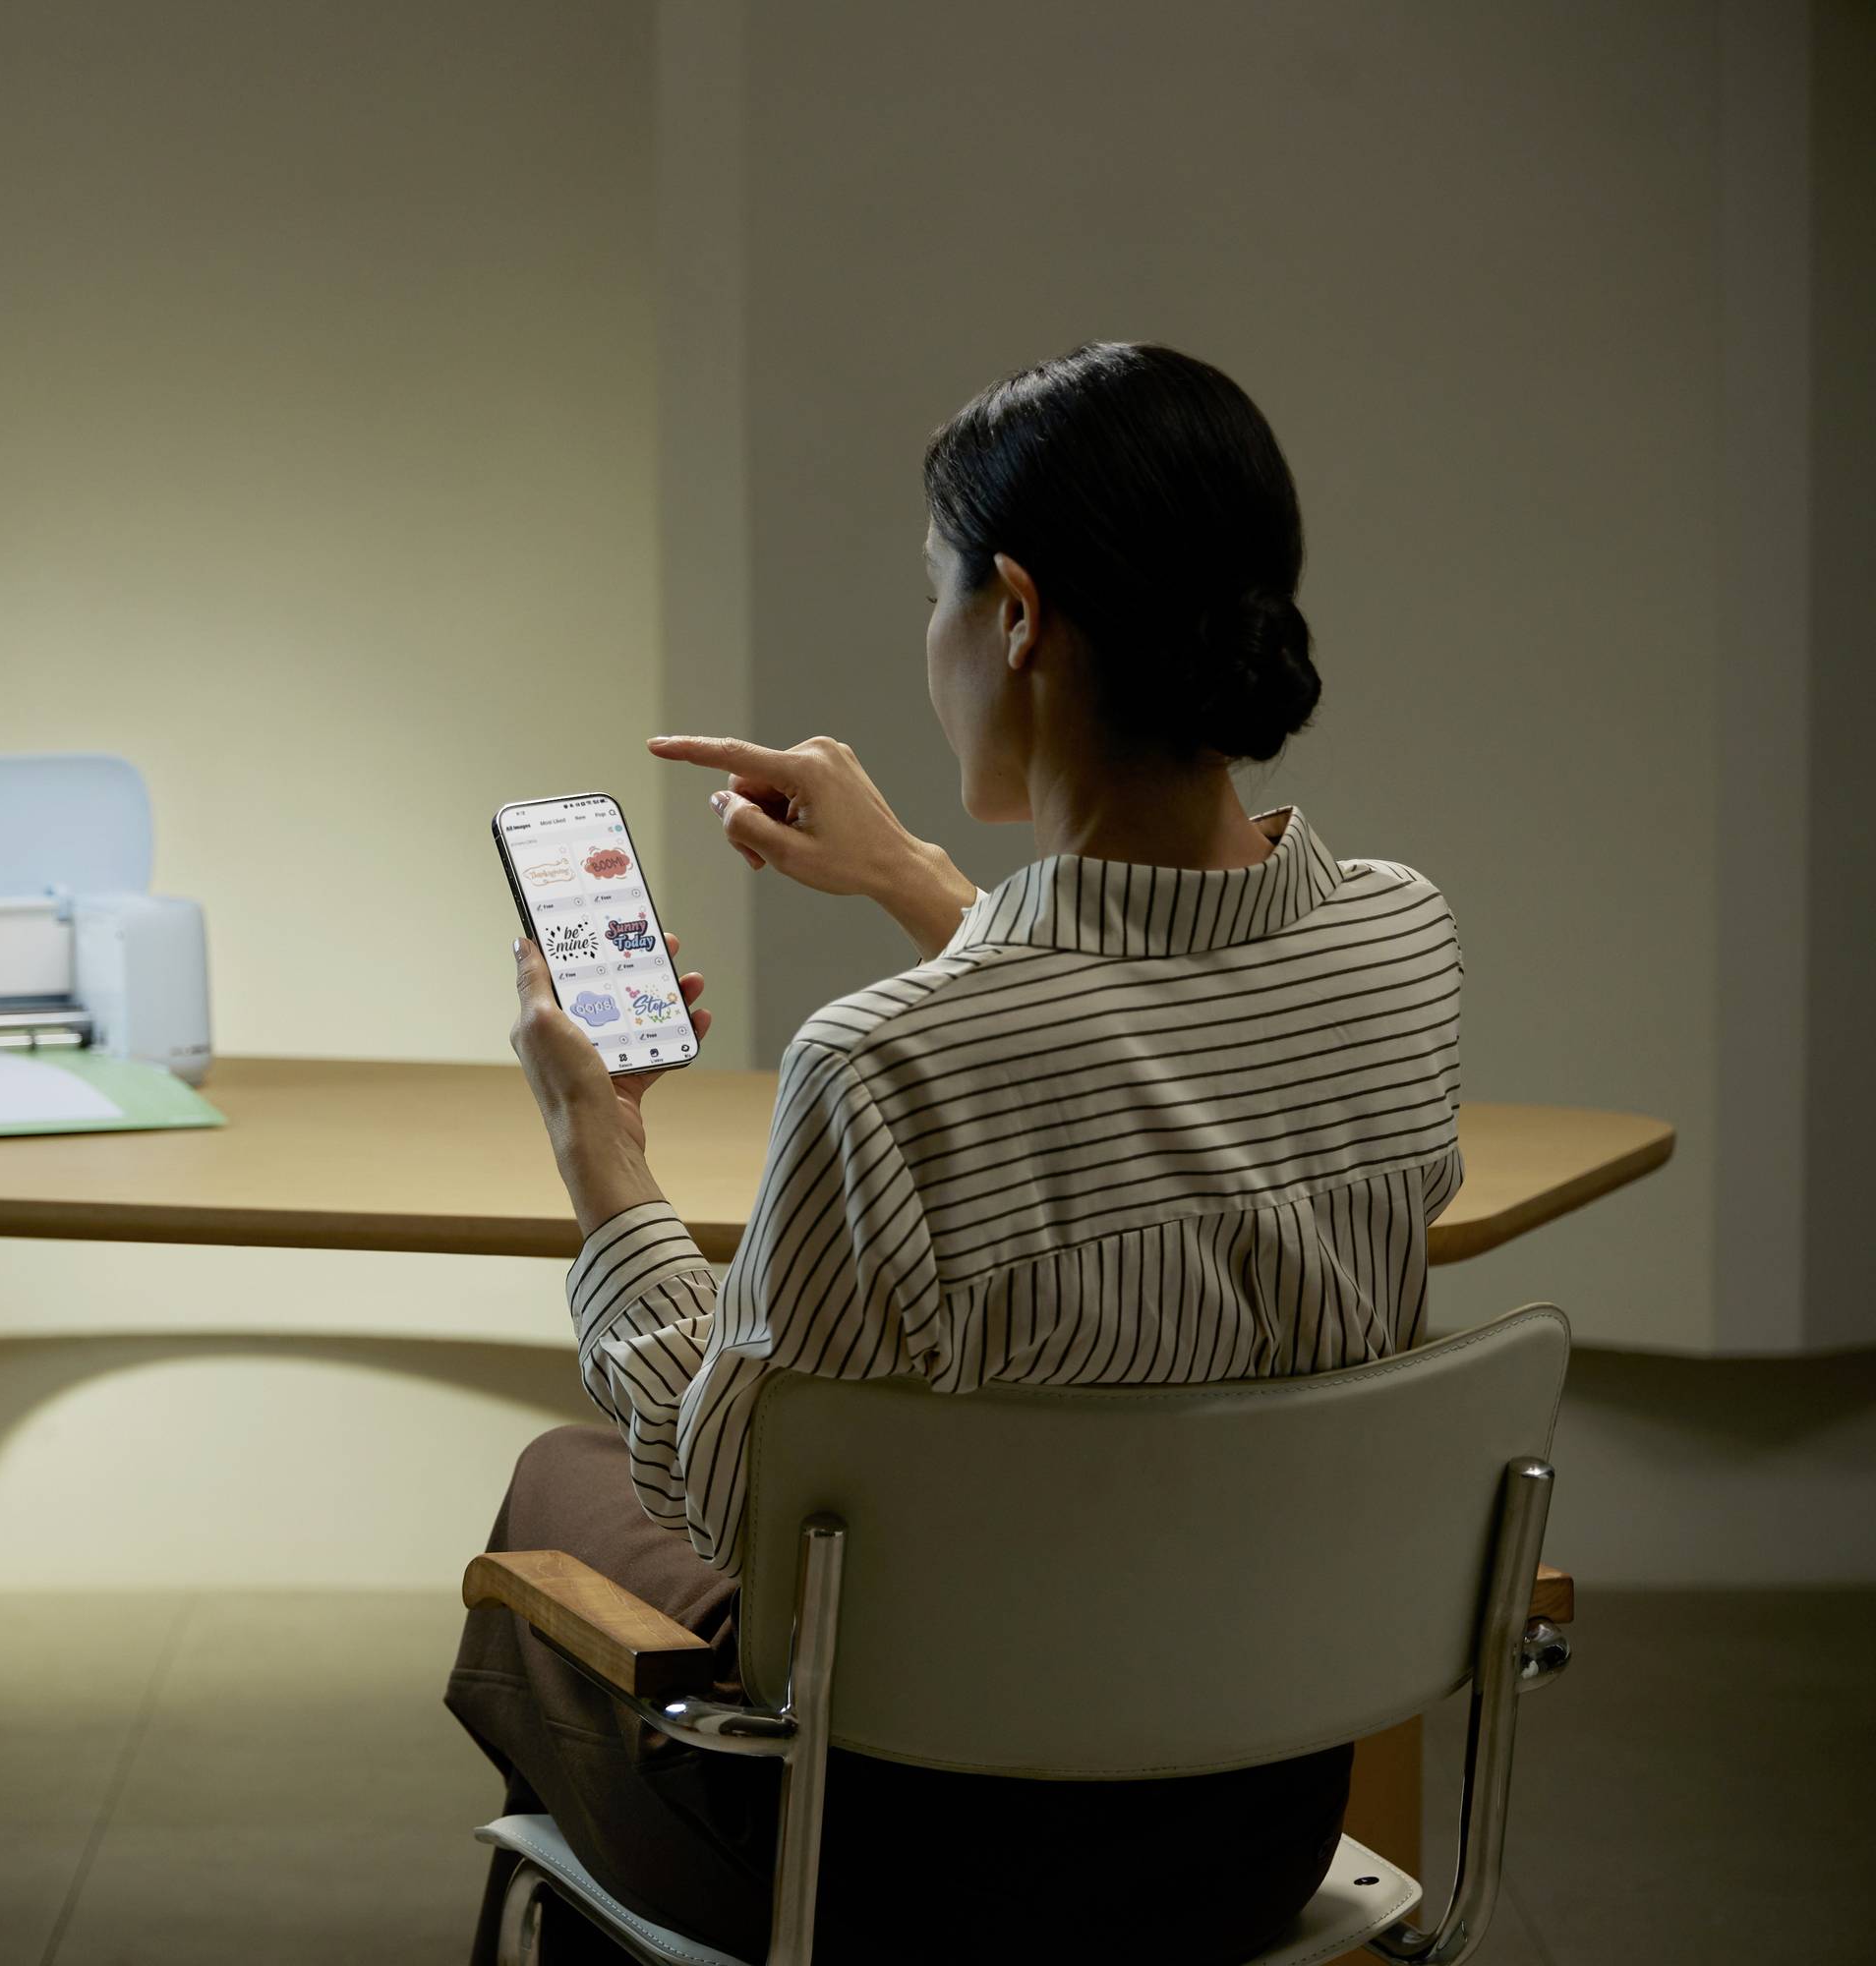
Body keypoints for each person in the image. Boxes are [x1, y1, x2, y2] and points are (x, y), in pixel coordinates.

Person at [448, 343, 1464, 1964]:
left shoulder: (888, 1065)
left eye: (936, 596)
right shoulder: (1401, 939)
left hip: (927, 1867)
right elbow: (1156, 1041)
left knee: (562, 1491)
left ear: (1015, 614)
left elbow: (731, 1504)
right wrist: (923, 882)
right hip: (1261, 1827)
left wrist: (604, 1160)